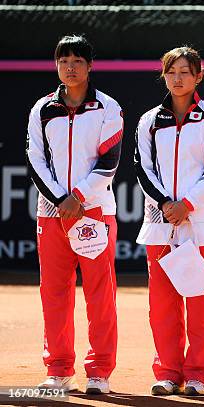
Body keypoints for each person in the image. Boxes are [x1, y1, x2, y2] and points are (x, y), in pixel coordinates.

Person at [27, 35, 123, 395]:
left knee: (100, 294)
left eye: (77, 60)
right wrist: (59, 199)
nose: (70, 66)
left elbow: (109, 161)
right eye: (63, 60)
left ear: (89, 65)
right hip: (51, 214)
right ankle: (58, 370)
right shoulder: (42, 109)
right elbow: (35, 159)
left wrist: (78, 197)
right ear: (56, 65)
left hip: (94, 211)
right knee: (54, 292)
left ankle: (99, 372)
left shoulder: (108, 108)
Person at [134, 47, 204, 396]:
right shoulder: (148, 121)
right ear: (164, 75)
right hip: (160, 224)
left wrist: (187, 205)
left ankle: (199, 375)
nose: (178, 78)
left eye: (185, 72)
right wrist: (165, 204)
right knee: (162, 305)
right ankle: (167, 372)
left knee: (201, 305)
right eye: (172, 71)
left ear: (199, 76)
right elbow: (143, 168)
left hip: (201, 225)